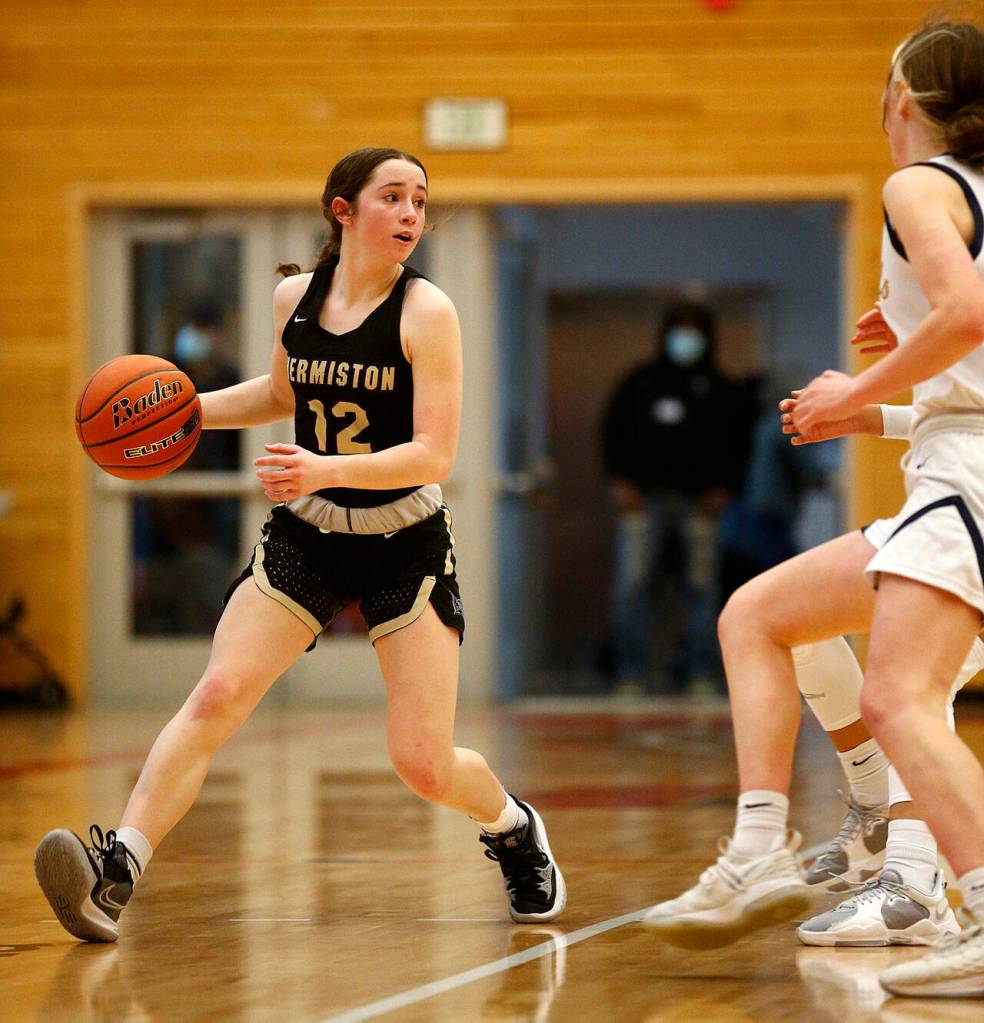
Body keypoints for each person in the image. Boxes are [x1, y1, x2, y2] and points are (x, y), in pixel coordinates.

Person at [34, 147, 565, 943]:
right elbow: (284, 392)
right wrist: (180, 412)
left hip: (404, 540)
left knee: (421, 761)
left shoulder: (428, 312)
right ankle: (118, 870)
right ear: (342, 209)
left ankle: (513, 827)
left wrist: (325, 464)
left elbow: (434, 453)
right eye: (393, 196)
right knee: (217, 694)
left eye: (420, 199)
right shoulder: (296, 297)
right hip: (307, 535)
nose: (413, 213)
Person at [644, 18, 984, 999]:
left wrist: (848, 395)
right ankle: (763, 847)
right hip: (958, 467)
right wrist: (883, 399)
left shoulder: (917, 184)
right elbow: (963, 345)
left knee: (901, 699)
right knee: (760, 613)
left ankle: (935, 884)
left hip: (964, 479)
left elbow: (965, 320)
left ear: (903, 102)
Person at [600, 301, 756, 694]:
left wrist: (725, 490)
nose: (685, 339)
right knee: (634, 589)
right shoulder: (640, 382)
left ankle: (701, 676)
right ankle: (629, 677)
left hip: (700, 505)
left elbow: (741, 445)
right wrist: (620, 483)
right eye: (679, 329)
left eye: (694, 330)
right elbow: (611, 433)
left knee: (702, 591)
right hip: (644, 501)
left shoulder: (722, 389)